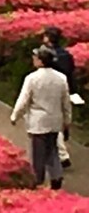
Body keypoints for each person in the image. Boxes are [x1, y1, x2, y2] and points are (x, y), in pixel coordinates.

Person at [11, 45, 72, 190]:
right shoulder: (61, 78)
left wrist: (15, 115)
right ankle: (56, 176)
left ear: (41, 61)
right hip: (54, 121)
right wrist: (67, 121)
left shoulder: (32, 78)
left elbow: (24, 99)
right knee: (53, 151)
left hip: (38, 122)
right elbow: (66, 102)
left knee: (38, 154)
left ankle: (38, 180)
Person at [43, 26, 77, 168]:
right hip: (66, 90)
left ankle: (62, 156)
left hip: (53, 93)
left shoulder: (48, 55)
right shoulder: (66, 55)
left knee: (52, 125)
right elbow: (71, 73)